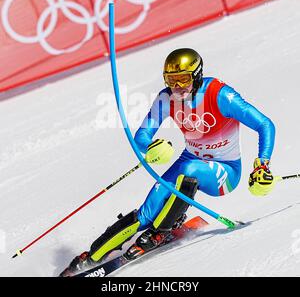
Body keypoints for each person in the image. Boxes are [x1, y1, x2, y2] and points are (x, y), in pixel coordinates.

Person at [60, 48, 276, 276]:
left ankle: (160, 231)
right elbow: (141, 136)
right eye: (171, 80)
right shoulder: (166, 98)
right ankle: (90, 256)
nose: (178, 87)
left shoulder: (220, 95)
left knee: (189, 169)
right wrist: (150, 146)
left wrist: (262, 163)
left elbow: (265, 124)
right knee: (145, 212)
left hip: (225, 172)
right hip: (189, 160)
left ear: (197, 75)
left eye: (183, 79)